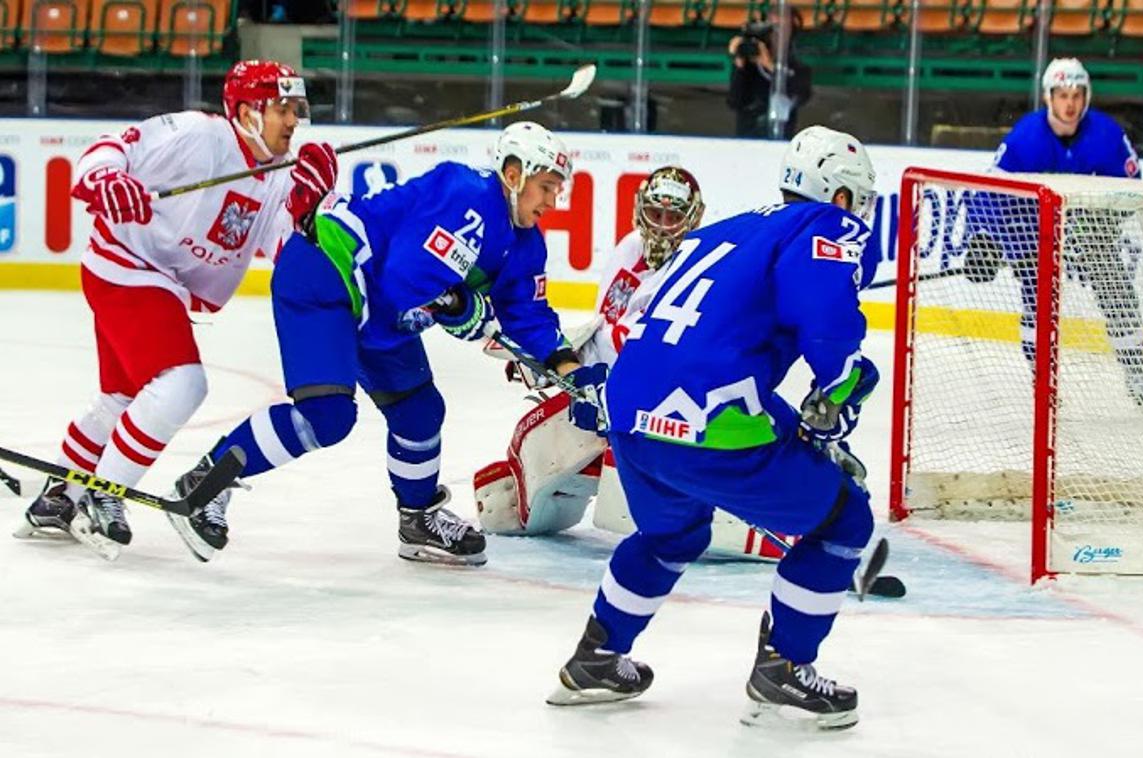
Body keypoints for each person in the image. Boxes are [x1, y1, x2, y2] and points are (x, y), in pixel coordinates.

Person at [546, 125, 878, 732]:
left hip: (629, 410)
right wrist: (842, 387)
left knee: (673, 534)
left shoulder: (725, 230)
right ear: (840, 197)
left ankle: (596, 657)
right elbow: (827, 323)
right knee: (845, 519)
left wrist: (808, 422)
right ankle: (784, 666)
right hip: (705, 416)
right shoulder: (825, 225)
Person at [171, 121, 604, 566]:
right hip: (329, 272)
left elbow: (528, 317)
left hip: (379, 309)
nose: (553, 202)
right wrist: (464, 310)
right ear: (514, 175)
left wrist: (575, 372)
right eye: (547, 187)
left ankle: (418, 520)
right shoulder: (465, 193)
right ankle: (204, 483)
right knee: (327, 415)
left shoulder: (526, 245)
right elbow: (406, 279)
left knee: (419, 411)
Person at [15, 60, 337, 559]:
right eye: (282, 108)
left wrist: (311, 207)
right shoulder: (198, 135)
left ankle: (59, 495)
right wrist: (107, 181)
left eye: (298, 109)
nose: (293, 121)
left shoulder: (280, 176)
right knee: (183, 382)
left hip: (160, 284)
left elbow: (289, 251)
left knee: (122, 399)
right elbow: (111, 151)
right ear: (248, 112)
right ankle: (106, 493)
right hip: (126, 266)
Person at [473, 166, 706, 537]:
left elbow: (649, 351)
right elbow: (605, 326)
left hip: (667, 411)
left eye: (673, 216)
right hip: (608, 399)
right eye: (655, 213)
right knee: (500, 506)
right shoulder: (629, 248)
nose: (662, 226)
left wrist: (572, 364)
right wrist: (554, 358)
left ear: (693, 218)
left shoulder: (695, 268)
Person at [968, 57, 1143, 404]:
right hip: (1033, 227)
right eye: (1062, 94)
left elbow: (1134, 190)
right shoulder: (1025, 138)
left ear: (1087, 97)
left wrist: (1101, 220)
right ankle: (1043, 379)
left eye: (1077, 94)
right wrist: (983, 241)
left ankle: (1136, 372)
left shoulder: (1108, 136)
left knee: (1117, 289)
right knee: (1036, 297)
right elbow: (988, 194)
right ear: (1048, 97)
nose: (1070, 103)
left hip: (1090, 228)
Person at [726, 23, 811, 139]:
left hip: (781, 133)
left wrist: (770, 66)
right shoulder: (748, 69)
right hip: (747, 135)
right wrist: (739, 65)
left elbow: (802, 93)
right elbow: (734, 101)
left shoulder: (794, 65)